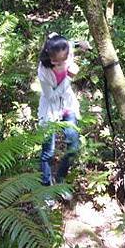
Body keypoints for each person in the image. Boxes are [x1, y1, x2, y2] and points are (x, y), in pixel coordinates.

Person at [37, 32, 89, 186]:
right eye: (56, 62)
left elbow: (71, 43)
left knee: (73, 145)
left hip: (67, 104)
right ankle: (47, 187)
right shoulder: (43, 71)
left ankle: (60, 181)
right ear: (49, 56)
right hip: (49, 109)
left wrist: (82, 43)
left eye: (63, 61)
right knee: (48, 152)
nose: (60, 65)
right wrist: (69, 77)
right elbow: (51, 96)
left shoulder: (66, 49)